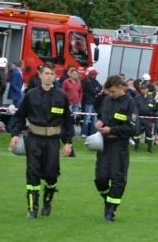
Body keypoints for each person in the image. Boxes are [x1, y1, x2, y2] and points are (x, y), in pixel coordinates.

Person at [9, 62, 74, 219]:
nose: (49, 76)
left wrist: (68, 142)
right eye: (46, 73)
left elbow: (68, 122)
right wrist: (15, 134)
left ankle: (47, 200)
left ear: (55, 75)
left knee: (51, 174)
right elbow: (19, 116)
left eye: (52, 74)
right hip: (34, 140)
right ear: (40, 75)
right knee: (33, 173)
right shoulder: (31, 94)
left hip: (52, 141)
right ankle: (32, 208)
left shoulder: (61, 96)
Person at [93, 75, 138, 222]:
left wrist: (111, 130)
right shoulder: (106, 101)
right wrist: (99, 122)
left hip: (119, 145)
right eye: (108, 92)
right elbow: (100, 116)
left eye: (112, 91)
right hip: (104, 145)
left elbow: (132, 128)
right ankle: (107, 199)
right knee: (100, 178)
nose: (110, 94)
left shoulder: (130, 103)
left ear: (121, 87)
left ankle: (111, 210)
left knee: (118, 180)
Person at [133, 83, 155, 152]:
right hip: (139, 117)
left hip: (148, 118)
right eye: (142, 89)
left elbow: (153, 109)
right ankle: (137, 146)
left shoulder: (151, 98)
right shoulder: (137, 97)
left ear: (147, 89)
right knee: (137, 132)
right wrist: (134, 118)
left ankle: (150, 147)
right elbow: (134, 108)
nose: (143, 90)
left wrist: (152, 120)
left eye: (144, 89)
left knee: (149, 133)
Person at [81, 68, 102, 137]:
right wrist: (96, 90)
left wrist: (96, 89)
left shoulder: (93, 81)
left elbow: (100, 87)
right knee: (87, 118)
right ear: (94, 74)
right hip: (89, 101)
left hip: (93, 102)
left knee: (94, 118)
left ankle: (93, 133)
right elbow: (93, 91)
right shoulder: (88, 81)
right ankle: (83, 132)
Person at [61, 68, 83, 132]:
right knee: (67, 117)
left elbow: (81, 92)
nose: (75, 75)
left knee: (73, 118)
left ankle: (71, 132)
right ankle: (64, 130)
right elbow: (62, 91)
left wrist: (79, 99)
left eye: (76, 74)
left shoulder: (79, 83)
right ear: (70, 74)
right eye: (74, 74)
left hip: (76, 103)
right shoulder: (66, 82)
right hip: (68, 102)